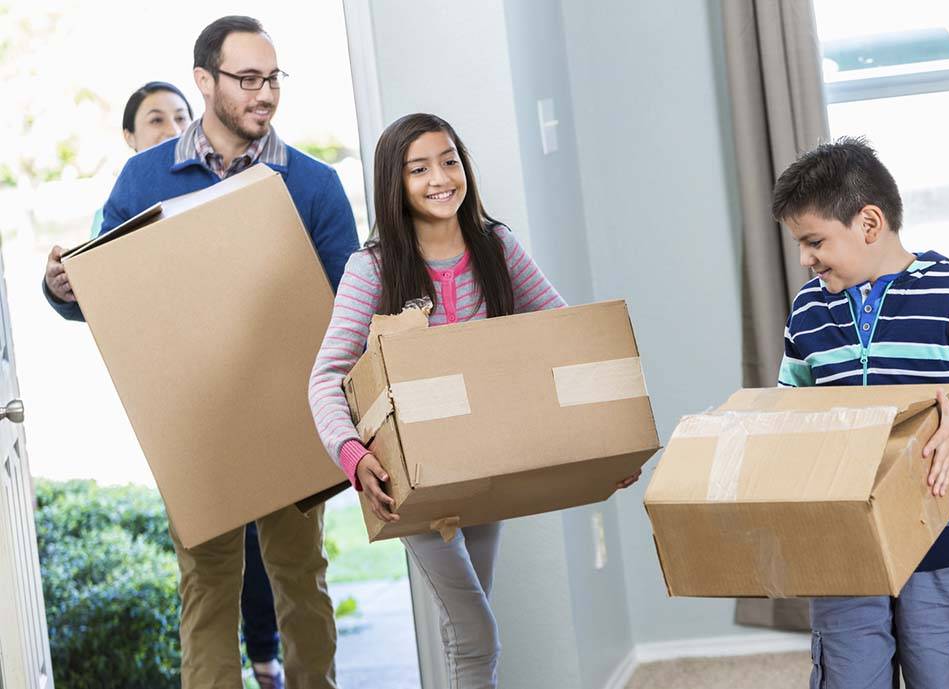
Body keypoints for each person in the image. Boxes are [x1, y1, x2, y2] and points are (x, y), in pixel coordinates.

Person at [42, 16, 357, 689]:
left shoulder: (313, 185)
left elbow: (348, 313)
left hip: (290, 416)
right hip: (195, 429)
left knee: (301, 579)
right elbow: (102, 292)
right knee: (207, 586)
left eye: (273, 78)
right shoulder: (143, 179)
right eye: (247, 79)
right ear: (204, 81)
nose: (264, 93)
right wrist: (62, 286)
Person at [307, 113, 641, 689]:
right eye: (419, 169)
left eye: (450, 161)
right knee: (477, 633)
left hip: (487, 468)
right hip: (410, 477)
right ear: (395, 183)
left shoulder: (496, 247)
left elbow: (567, 341)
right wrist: (355, 459)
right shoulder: (374, 268)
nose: (440, 178)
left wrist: (605, 449)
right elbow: (326, 376)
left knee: (466, 630)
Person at [773, 137, 949, 689]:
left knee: (946, 676)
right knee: (847, 676)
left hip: (943, 536)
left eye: (815, 241)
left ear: (869, 223)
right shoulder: (809, 311)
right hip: (841, 541)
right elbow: (789, 414)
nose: (805, 258)